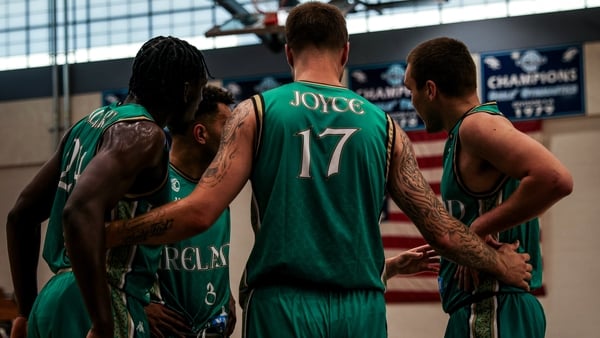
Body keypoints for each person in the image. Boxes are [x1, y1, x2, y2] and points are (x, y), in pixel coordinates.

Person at [104, 3, 532, 337]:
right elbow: (442, 230)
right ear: (346, 52)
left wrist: (113, 233)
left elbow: (199, 212)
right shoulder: (385, 128)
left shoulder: (256, 113)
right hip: (361, 308)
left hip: (282, 305)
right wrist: (499, 265)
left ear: (288, 52)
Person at [6, 35, 209, 338]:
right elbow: (78, 212)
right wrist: (102, 323)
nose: (200, 100)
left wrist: (25, 308)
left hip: (52, 300)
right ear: (186, 90)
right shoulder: (143, 133)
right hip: (99, 299)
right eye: (201, 89)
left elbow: (20, 216)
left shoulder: (88, 124)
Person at [403, 36, 573, 338]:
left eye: (410, 89)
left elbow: (555, 178)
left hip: (492, 306)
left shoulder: (476, 125)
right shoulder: (464, 133)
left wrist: (478, 227)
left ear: (430, 90)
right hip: (482, 306)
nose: (411, 100)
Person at [144, 85, 237, 338]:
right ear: (200, 133)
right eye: (227, 128)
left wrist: (225, 294)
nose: (235, 137)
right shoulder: (151, 186)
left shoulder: (219, 187)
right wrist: (141, 304)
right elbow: (114, 256)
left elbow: (214, 252)